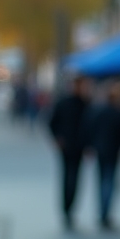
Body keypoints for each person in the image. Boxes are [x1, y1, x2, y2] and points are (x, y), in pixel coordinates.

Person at [84, 82, 120, 230]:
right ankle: (105, 213)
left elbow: (90, 129)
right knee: (109, 181)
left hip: (100, 150)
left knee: (102, 181)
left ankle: (102, 211)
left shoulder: (99, 111)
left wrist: (89, 145)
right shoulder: (119, 113)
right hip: (113, 152)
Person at [48, 76, 90, 230]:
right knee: (68, 178)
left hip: (79, 147)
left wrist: (89, 144)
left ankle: (70, 209)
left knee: (75, 179)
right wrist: (57, 139)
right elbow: (52, 122)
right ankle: (66, 209)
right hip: (66, 147)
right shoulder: (63, 103)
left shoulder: (85, 104)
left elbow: (90, 125)